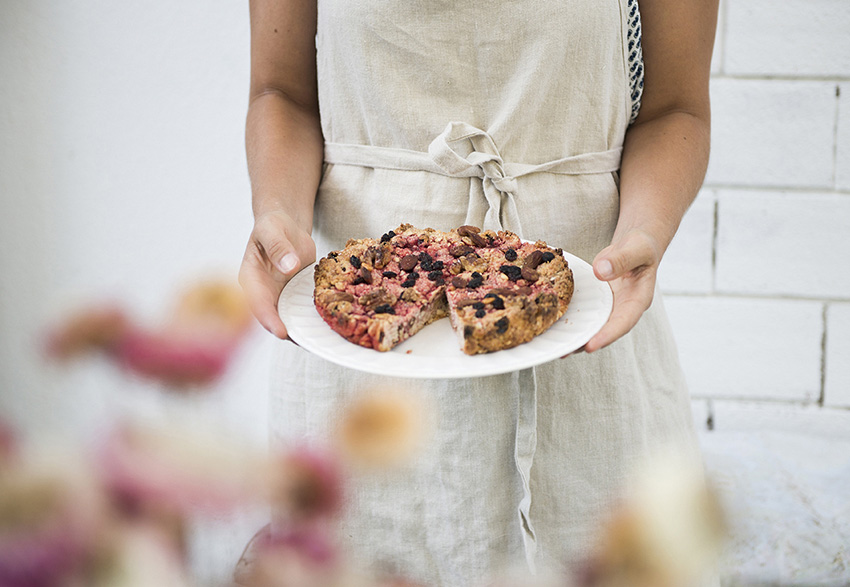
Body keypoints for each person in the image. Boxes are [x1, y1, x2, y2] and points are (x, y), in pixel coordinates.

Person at [238, 0, 718, 584]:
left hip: (594, 317)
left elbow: (676, 107)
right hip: (357, 364)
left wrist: (645, 231)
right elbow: (280, 92)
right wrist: (278, 212)